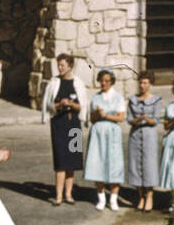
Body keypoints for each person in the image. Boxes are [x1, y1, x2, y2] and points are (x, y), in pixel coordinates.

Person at [41, 54, 87, 205]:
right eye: (59, 65)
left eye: (62, 65)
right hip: (59, 125)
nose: (60, 68)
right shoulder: (53, 83)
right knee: (60, 160)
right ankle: (59, 195)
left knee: (72, 160)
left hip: (74, 125)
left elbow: (83, 105)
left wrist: (72, 105)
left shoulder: (78, 83)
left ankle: (69, 194)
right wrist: (60, 104)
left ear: (70, 66)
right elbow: (47, 104)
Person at [84, 68, 126, 210]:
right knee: (98, 163)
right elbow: (92, 118)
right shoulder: (95, 97)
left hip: (112, 132)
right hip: (98, 133)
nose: (104, 83)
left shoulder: (118, 97)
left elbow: (121, 117)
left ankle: (113, 199)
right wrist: (97, 114)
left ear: (112, 82)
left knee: (114, 164)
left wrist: (106, 115)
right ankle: (101, 198)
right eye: (101, 81)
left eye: (107, 81)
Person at [126, 70, 162, 212]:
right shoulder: (132, 100)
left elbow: (156, 120)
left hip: (149, 135)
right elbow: (129, 118)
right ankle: (141, 196)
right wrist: (137, 119)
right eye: (140, 82)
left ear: (150, 84)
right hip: (135, 134)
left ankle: (150, 196)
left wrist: (146, 119)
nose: (142, 85)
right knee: (135, 165)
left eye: (145, 83)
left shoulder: (156, 100)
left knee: (149, 165)